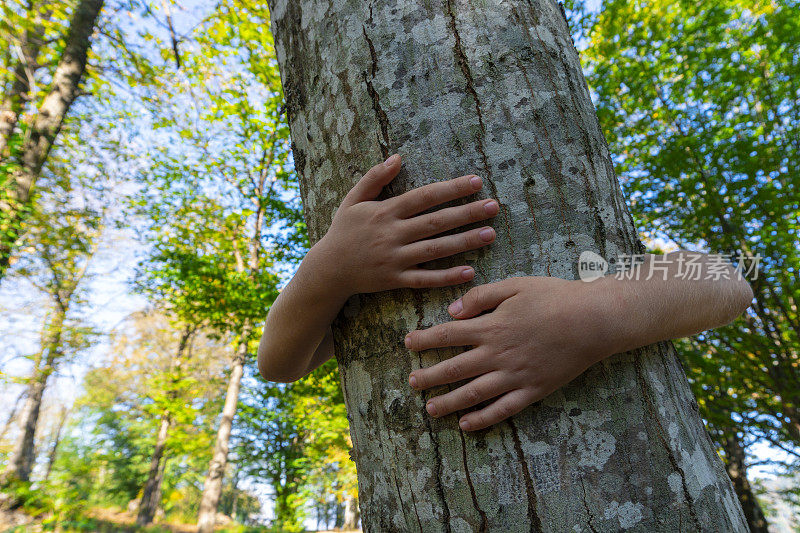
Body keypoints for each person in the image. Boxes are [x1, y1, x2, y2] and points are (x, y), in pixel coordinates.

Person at [257, 154, 753, 431]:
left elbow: (728, 280)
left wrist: (589, 315)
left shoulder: (607, 259)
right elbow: (279, 362)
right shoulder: (353, 284)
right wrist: (327, 268)